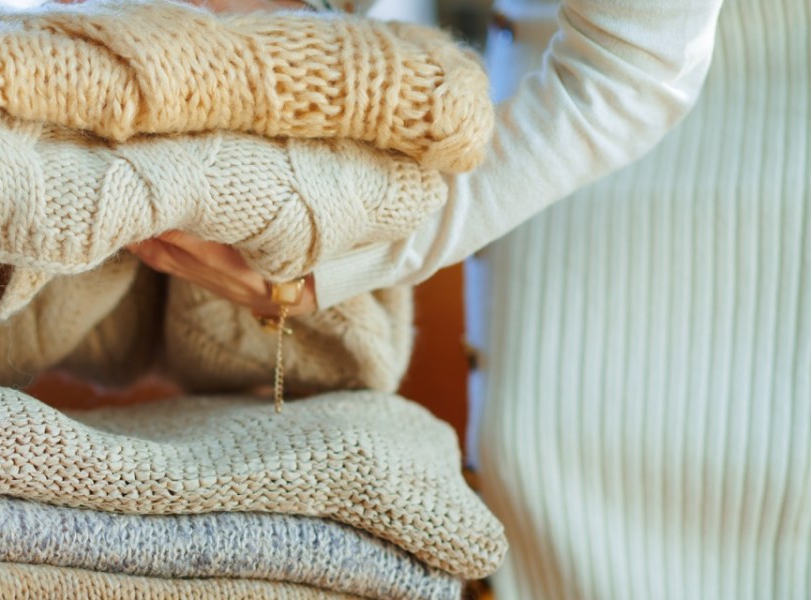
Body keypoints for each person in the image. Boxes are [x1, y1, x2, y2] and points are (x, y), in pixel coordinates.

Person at [131, 0, 811, 598]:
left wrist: (349, 250)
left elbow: (629, 66)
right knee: (536, 490)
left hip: (724, 268)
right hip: (547, 213)